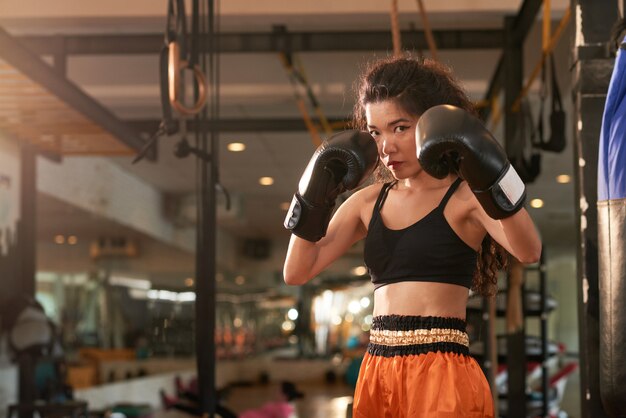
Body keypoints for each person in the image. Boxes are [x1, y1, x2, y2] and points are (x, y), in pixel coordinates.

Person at [282, 56, 542, 417]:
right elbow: (296, 272)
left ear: (434, 123)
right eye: (376, 132)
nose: (386, 146)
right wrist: (310, 201)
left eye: (400, 127)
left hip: (442, 372)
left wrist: (491, 175)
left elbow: (529, 250)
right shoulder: (368, 202)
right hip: (377, 371)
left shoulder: (464, 197)